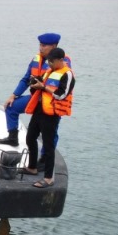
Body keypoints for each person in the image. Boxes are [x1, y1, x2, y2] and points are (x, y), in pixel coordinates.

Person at [0, 33, 72, 148]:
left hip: (51, 102)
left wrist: (42, 86)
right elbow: (26, 79)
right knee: (11, 107)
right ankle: (12, 138)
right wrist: (13, 95)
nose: (40, 48)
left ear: (53, 46)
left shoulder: (62, 62)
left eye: (44, 46)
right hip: (35, 98)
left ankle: (45, 158)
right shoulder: (36, 59)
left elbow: (63, 85)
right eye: (40, 45)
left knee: (50, 132)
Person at [24, 47, 74, 189]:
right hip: (39, 110)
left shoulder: (68, 74)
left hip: (51, 115)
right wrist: (35, 83)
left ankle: (48, 178)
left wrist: (44, 87)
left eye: (52, 62)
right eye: (48, 62)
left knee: (48, 146)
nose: (50, 64)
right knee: (30, 137)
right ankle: (32, 167)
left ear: (60, 60)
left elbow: (61, 94)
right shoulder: (49, 71)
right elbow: (41, 85)